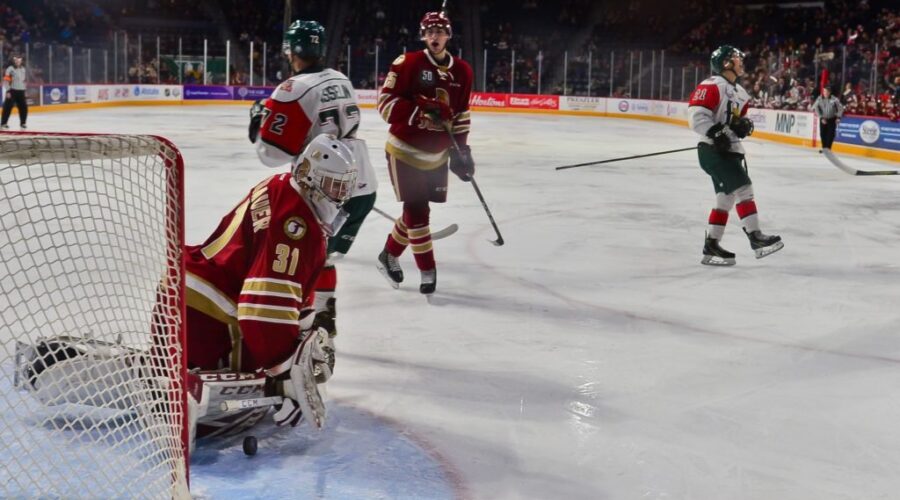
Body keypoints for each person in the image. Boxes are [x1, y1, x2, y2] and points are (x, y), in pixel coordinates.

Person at [184, 133, 357, 428]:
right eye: (331, 185)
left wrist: (301, 328)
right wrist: (283, 375)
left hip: (190, 289)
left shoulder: (281, 186)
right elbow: (261, 311)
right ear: (306, 175)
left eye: (342, 188)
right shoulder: (296, 225)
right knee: (257, 367)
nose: (337, 196)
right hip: (207, 318)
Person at [249, 19, 377, 344]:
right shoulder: (341, 78)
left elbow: (271, 154)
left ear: (292, 51)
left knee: (302, 257)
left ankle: (304, 328)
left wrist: (257, 123)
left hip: (323, 190)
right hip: (361, 183)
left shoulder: (292, 89)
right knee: (326, 256)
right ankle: (323, 319)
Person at [375, 11, 475, 295]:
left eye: (439, 31)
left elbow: (462, 115)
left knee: (413, 214)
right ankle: (427, 271)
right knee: (418, 212)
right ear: (422, 35)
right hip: (404, 151)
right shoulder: (407, 63)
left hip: (437, 156)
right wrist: (422, 110)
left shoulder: (463, 71)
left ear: (448, 35)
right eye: (429, 31)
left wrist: (462, 150)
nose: (434, 36)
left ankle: (388, 254)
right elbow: (384, 104)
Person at [687, 45, 783, 266]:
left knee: (725, 198)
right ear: (726, 63)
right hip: (713, 150)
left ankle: (711, 246)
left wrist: (739, 126)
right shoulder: (711, 85)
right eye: (736, 58)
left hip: (729, 150)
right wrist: (715, 132)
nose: (741, 61)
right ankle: (755, 237)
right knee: (744, 189)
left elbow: (733, 120)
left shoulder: (741, 92)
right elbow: (696, 116)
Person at [812, 86, 843, 151]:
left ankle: (828, 148)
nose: (825, 93)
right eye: (824, 91)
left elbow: (840, 108)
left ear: (829, 92)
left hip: (832, 119)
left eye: (826, 92)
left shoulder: (834, 99)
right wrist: (821, 117)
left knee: (830, 134)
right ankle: (824, 147)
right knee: (822, 134)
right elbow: (815, 108)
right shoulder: (819, 98)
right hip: (823, 119)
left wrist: (838, 117)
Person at [1, 54, 28, 130]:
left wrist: (25, 90)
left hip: (21, 91)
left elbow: (23, 81)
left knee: (24, 108)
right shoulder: (10, 69)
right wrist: (8, 91)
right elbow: (6, 80)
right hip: (12, 91)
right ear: (14, 61)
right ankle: (3, 123)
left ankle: (23, 123)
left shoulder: (23, 69)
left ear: (21, 61)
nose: (17, 62)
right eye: (16, 60)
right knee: (7, 108)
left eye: (19, 60)